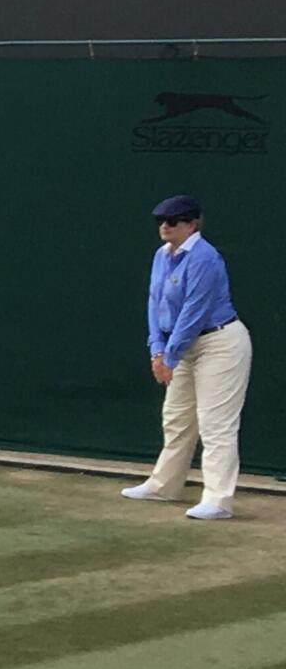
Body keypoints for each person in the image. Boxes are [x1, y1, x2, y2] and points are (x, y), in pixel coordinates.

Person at [123, 195, 251, 521]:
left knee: (216, 423)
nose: (164, 226)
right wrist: (157, 350)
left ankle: (218, 500)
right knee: (177, 418)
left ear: (192, 224)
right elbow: (155, 304)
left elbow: (195, 312)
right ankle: (164, 486)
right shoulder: (161, 256)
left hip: (219, 343)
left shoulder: (205, 259)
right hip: (178, 348)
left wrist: (169, 356)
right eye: (161, 221)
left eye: (173, 221)